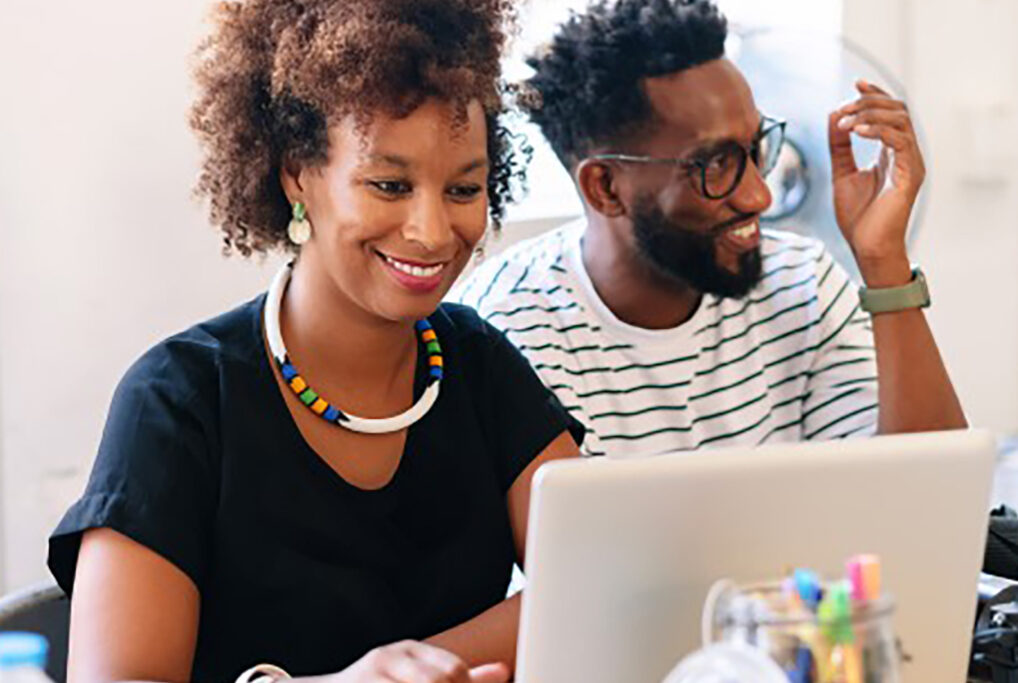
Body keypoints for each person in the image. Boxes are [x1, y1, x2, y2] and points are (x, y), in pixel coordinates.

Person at [47, 1, 582, 681]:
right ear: (297, 173)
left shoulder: (474, 361)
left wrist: (420, 668)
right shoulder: (178, 401)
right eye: (389, 184)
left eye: (463, 187)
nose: (433, 230)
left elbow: (598, 588)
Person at [454, 0, 966, 458]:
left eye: (755, 147)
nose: (760, 196)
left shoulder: (801, 281)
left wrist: (883, 264)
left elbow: (930, 495)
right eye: (713, 165)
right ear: (605, 188)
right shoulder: (508, 329)